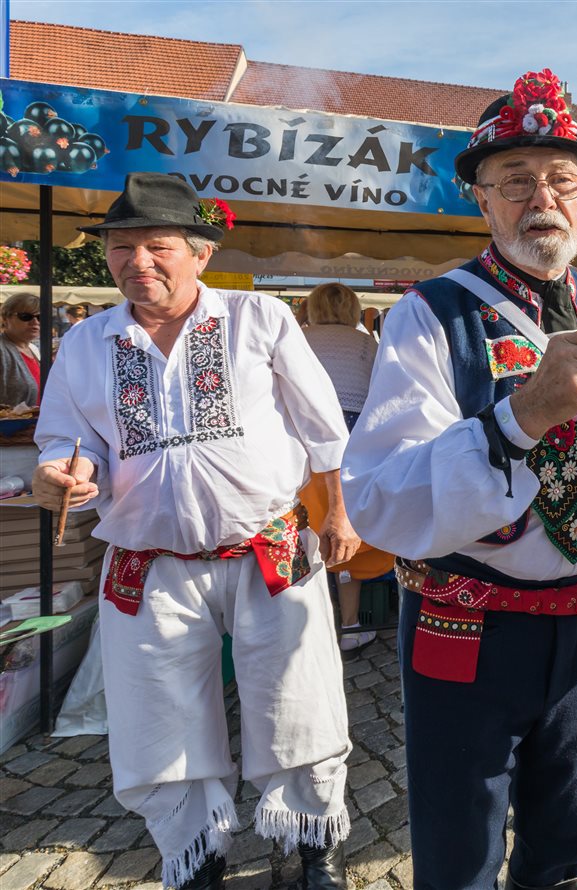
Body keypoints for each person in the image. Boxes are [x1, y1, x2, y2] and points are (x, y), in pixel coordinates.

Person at [340, 69, 577, 890]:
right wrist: (519, 416)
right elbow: (382, 495)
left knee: (566, 836)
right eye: (516, 180)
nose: (543, 197)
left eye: (562, 180)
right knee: (459, 842)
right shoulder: (431, 313)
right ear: (483, 202)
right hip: (469, 627)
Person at [31, 173, 354, 890]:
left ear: (199, 252)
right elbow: (62, 439)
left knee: (298, 701)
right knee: (159, 717)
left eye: (156, 244)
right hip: (149, 564)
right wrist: (57, 476)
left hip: (267, 547)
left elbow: (322, 425)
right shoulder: (86, 342)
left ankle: (310, 848)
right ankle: (196, 856)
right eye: (120, 246)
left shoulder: (257, 317)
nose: (136, 260)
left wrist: (339, 511)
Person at [299, 282, 394, 655]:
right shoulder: (368, 344)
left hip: (302, 443)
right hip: (354, 443)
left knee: (304, 531)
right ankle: (351, 626)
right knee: (346, 535)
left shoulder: (298, 337)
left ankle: (309, 627)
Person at [1, 291, 42, 407]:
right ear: (5, 318)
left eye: (40, 317)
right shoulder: (2, 349)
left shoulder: (33, 349)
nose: (35, 322)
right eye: (25, 317)